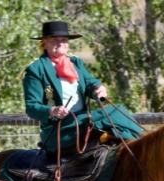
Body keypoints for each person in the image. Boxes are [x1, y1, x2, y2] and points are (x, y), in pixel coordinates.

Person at [21, 20, 143, 154]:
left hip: (82, 119)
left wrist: (98, 88)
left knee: (117, 113)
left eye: (64, 39)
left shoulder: (75, 62)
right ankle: (142, 145)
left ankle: (137, 145)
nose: (61, 43)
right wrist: (53, 110)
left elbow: (90, 81)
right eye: (55, 39)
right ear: (44, 43)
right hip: (59, 128)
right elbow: (32, 107)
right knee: (115, 113)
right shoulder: (36, 69)